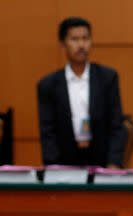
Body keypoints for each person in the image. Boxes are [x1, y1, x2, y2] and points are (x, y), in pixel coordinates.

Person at [37, 17, 125, 168]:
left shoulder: (107, 78)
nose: (81, 45)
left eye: (85, 38)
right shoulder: (48, 85)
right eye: (74, 39)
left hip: (101, 160)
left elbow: (116, 125)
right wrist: (53, 167)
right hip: (64, 162)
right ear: (63, 44)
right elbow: (47, 132)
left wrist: (114, 163)